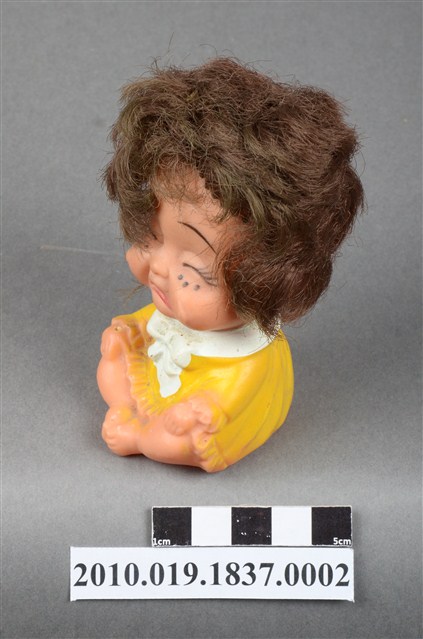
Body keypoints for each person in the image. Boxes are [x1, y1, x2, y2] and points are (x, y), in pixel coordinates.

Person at [97, 58, 364, 472]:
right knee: (116, 355)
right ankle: (128, 412)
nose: (160, 270)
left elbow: (230, 396)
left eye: (194, 274)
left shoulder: (247, 360)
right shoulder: (167, 310)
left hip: (210, 408)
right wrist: (125, 340)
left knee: (186, 436)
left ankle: (143, 437)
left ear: (266, 282)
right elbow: (144, 330)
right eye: (151, 238)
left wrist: (205, 409)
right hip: (156, 386)